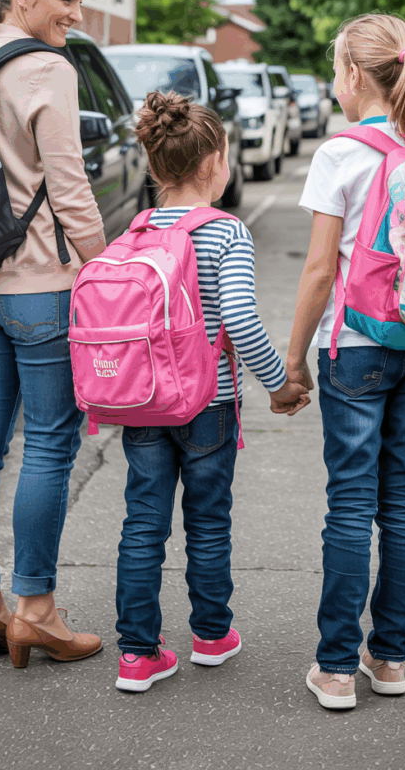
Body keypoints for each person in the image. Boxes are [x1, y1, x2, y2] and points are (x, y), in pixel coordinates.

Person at [114, 91, 309, 692]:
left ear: (153, 166)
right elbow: (243, 324)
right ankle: (211, 635)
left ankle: (138, 655)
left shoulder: (136, 230)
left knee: (143, 523)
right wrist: (281, 385)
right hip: (207, 404)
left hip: (143, 402)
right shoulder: (226, 233)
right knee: (208, 522)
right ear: (214, 164)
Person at [285, 14, 405, 709]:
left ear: (355, 75)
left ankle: (333, 668)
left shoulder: (340, 154)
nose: (334, 80)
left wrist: (292, 361)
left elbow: (320, 272)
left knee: (350, 504)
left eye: (335, 68)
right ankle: (388, 660)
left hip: (355, 349)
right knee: (403, 501)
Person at [0, 0, 106, 670]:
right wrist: (104, 271)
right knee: (47, 441)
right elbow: (68, 185)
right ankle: (35, 611)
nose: (78, 13)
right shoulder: (46, 68)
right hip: (39, 286)